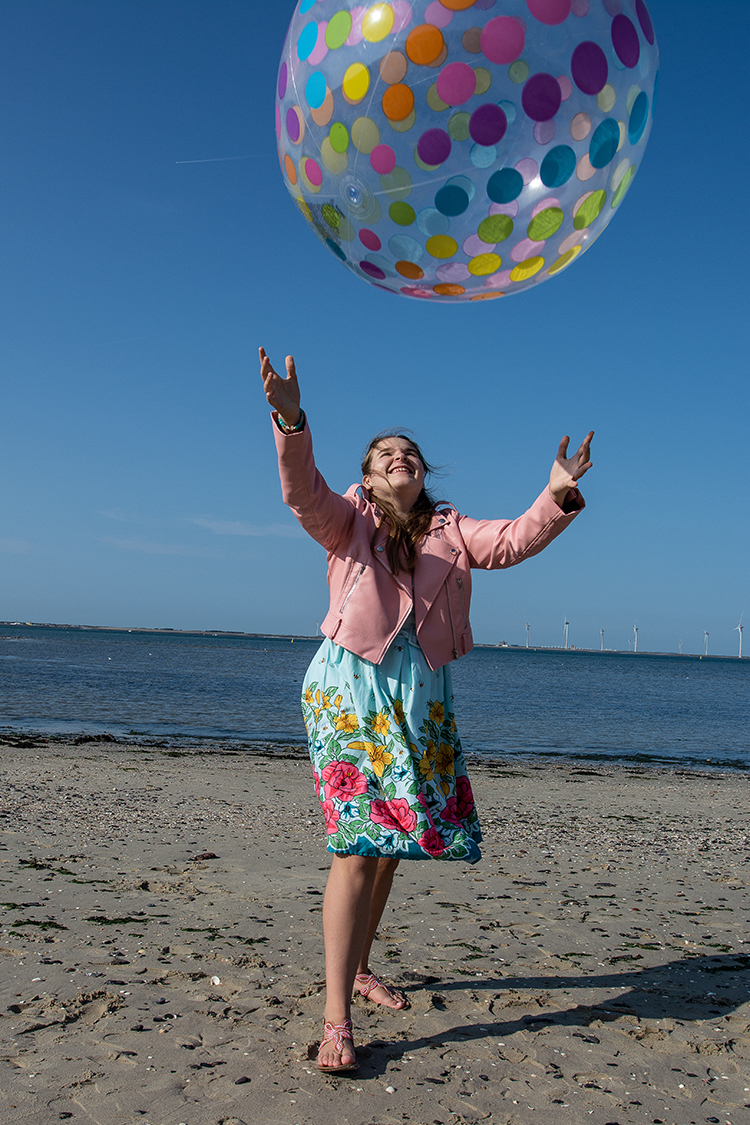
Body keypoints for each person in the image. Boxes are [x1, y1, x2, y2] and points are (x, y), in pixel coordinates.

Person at [259, 346, 593, 1073]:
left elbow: (509, 542)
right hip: (350, 687)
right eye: (385, 453)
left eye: (409, 451)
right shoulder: (347, 520)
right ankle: (336, 1020)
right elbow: (301, 491)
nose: (399, 457)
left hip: (421, 693)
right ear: (371, 473)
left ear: (424, 472)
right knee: (355, 845)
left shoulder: (450, 529)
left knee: (391, 846)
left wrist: (557, 494)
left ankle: (358, 966)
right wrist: (290, 417)